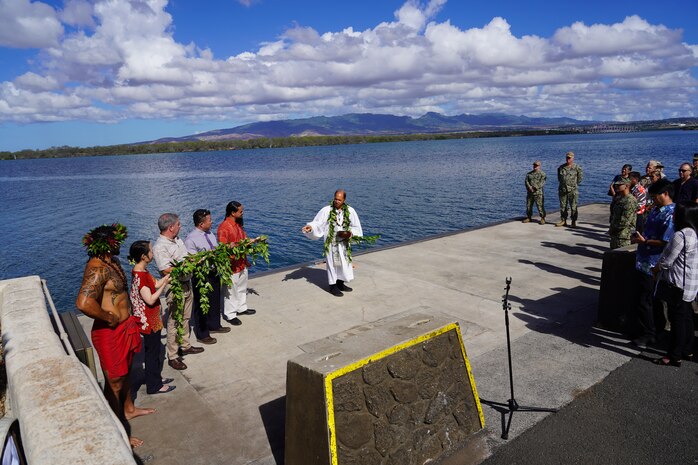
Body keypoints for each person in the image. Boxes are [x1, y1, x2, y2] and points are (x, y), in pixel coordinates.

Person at [75, 224, 154, 448]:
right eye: (117, 240)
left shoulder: (113, 262)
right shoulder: (97, 268)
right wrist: (107, 317)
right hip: (109, 333)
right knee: (114, 384)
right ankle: (118, 431)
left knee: (127, 372)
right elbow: (83, 302)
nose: (121, 243)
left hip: (125, 328)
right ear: (108, 244)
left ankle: (129, 410)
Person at [153, 213, 204, 371]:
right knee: (174, 321)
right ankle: (173, 356)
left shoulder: (177, 240)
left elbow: (185, 257)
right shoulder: (160, 247)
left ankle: (185, 344)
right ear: (170, 227)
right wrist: (188, 266)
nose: (180, 226)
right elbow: (165, 270)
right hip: (174, 286)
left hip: (186, 283)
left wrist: (194, 260)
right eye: (179, 224)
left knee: (186, 317)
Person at [652, 202, 698, 366]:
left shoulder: (681, 235)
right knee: (687, 317)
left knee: (677, 319)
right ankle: (687, 350)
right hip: (691, 284)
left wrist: (656, 269)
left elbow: (667, 260)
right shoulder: (694, 233)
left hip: (678, 284)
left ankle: (674, 355)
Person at [631, 179, 675, 349]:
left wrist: (646, 241)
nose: (653, 200)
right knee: (646, 298)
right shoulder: (657, 210)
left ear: (665, 194)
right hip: (643, 260)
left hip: (654, 264)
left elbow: (667, 241)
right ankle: (651, 329)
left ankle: (649, 334)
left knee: (646, 299)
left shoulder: (671, 213)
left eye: (656, 196)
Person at [127, 240, 175, 395]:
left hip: (151, 319)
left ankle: (154, 378)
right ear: (144, 256)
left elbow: (155, 283)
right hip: (149, 321)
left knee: (153, 351)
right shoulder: (141, 276)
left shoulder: (141, 271)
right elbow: (150, 299)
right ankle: (154, 385)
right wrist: (163, 285)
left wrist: (167, 278)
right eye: (150, 251)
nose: (152, 253)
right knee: (153, 352)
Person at [302, 189, 363, 297]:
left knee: (344, 263)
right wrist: (310, 227)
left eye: (339, 199)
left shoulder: (350, 211)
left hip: (344, 243)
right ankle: (333, 286)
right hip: (331, 243)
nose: (336, 201)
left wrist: (350, 234)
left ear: (344, 200)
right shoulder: (327, 210)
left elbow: (356, 227)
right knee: (332, 264)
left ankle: (340, 283)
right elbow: (318, 223)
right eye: (335, 199)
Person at [184, 208, 231, 343]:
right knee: (202, 303)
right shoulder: (191, 239)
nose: (212, 222)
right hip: (202, 275)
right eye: (209, 220)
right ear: (201, 224)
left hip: (213, 271)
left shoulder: (209, 233)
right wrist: (206, 258)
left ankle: (214, 325)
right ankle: (202, 334)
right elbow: (192, 261)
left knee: (215, 300)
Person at [217, 201, 258, 325]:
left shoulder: (237, 224)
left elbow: (243, 239)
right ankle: (230, 314)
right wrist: (234, 245)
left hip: (241, 261)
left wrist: (250, 241)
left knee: (241, 286)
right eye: (240, 211)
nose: (243, 213)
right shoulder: (224, 227)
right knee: (231, 290)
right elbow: (222, 247)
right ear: (233, 213)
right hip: (231, 264)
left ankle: (241, 307)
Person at [556, 151, 583, 228]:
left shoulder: (577, 167)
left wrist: (573, 185)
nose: (568, 159)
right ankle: (563, 220)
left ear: (573, 158)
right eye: (567, 157)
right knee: (563, 206)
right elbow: (559, 178)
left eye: (569, 158)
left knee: (573, 206)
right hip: (562, 190)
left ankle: (573, 222)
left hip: (573, 190)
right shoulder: (561, 168)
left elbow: (580, 179)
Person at [609, 178, 638, 249]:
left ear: (627, 186)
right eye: (616, 185)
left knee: (621, 256)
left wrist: (613, 228)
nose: (616, 186)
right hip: (616, 234)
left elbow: (625, 221)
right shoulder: (620, 198)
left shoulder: (630, 200)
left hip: (624, 235)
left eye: (619, 185)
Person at [523, 160, 546, 224]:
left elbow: (542, 182)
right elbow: (526, 181)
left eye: (536, 165)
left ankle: (542, 218)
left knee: (540, 206)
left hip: (538, 193)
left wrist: (535, 187)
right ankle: (529, 217)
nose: (535, 166)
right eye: (534, 165)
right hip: (530, 193)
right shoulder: (529, 174)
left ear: (539, 166)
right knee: (529, 206)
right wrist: (530, 187)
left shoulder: (542, 174)